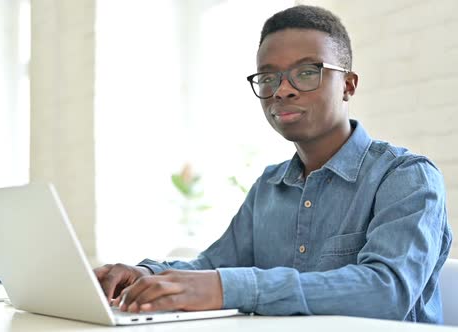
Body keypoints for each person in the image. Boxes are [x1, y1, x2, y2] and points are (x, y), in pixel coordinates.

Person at [93, 5, 453, 323]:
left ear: (348, 85)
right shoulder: (269, 186)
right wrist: (145, 274)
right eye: (268, 77)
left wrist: (230, 288)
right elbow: (213, 266)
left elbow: (386, 292)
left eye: (307, 72)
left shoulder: (405, 177)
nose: (282, 90)